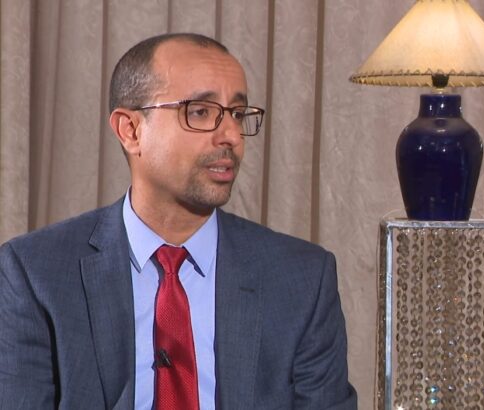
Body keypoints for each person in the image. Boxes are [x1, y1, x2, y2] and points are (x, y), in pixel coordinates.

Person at [0, 33, 357, 409]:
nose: (231, 136)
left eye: (237, 114)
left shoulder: (302, 279)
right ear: (131, 130)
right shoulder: (35, 273)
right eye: (200, 112)